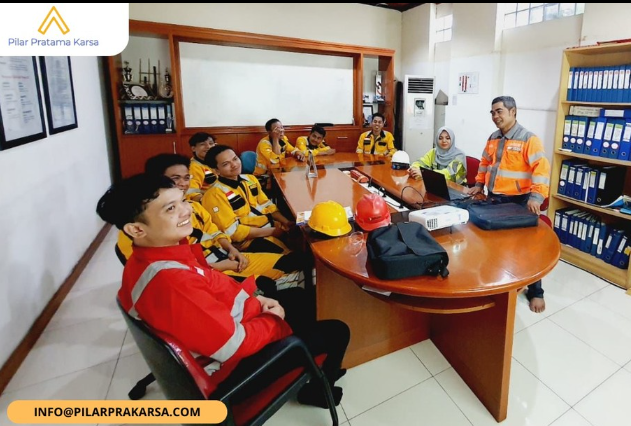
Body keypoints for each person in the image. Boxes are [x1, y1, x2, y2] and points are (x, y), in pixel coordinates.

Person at [96, 174, 349, 408]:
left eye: (182, 201)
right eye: (170, 208)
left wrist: (258, 300)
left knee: (300, 299)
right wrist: (272, 319)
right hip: (229, 370)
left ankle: (316, 365)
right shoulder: (172, 282)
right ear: (136, 229)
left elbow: (214, 291)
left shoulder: (150, 257)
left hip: (229, 330)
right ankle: (316, 390)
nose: (187, 210)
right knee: (337, 330)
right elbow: (233, 346)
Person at [115, 153, 303, 294]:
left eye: (186, 177)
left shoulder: (193, 206)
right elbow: (180, 272)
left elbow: (214, 232)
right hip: (209, 272)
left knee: (294, 262)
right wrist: (224, 265)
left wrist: (232, 250)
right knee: (271, 286)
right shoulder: (146, 231)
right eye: (175, 179)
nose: (183, 184)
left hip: (224, 257)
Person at [465, 95, 551, 313]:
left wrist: (536, 197)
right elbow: (485, 163)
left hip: (518, 201)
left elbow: (541, 170)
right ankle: (499, 282)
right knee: (494, 245)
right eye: (492, 112)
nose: (495, 116)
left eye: (499, 111)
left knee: (526, 249)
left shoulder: (528, 139)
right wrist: (478, 184)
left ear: (513, 112)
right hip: (494, 198)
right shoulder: (493, 138)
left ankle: (536, 291)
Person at [203, 145, 295, 255]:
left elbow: (267, 205)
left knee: (302, 238)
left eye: (235, 159)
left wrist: (286, 222)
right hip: (248, 241)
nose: (234, 165)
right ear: (216, 171)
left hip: (271, 227)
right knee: (291, 257)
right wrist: (272, 232)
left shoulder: (250, 179)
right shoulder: (214, 195)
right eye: (226, 164)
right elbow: (232, 232)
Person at [188, 132, 218, 201]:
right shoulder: (194, 167)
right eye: (202, 144)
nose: (208, 147)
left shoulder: (214, 161)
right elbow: (192, 193)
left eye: (211, 143)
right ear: (193, 148)